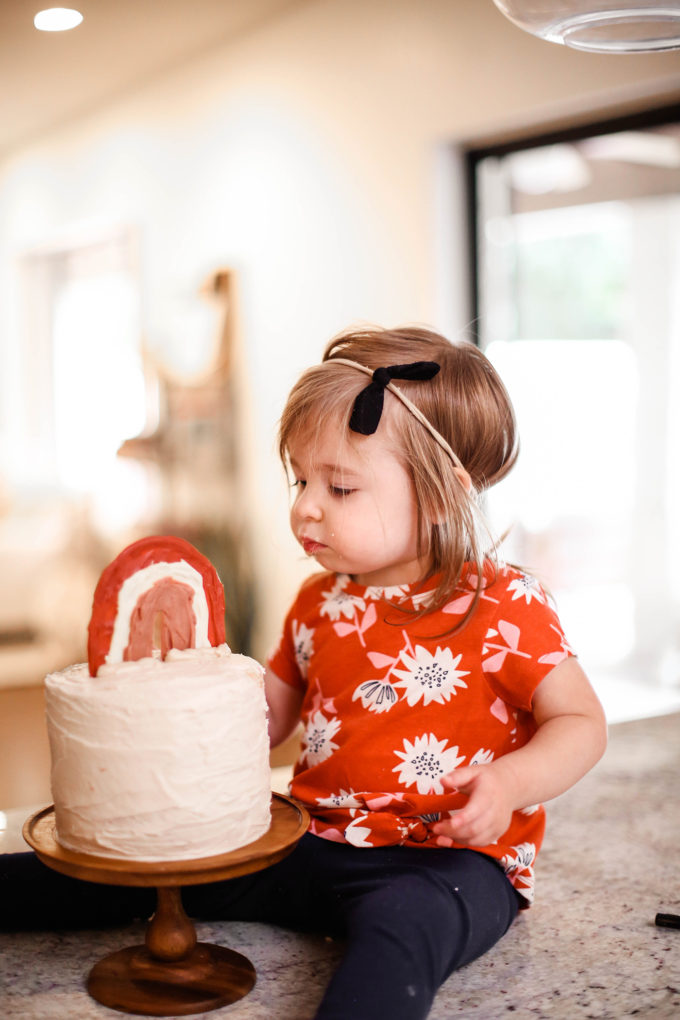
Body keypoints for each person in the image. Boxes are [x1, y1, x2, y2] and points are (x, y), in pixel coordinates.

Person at [1, 325, 607, 1020]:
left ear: (443, 497)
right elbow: (268, 717)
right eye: (300, 478)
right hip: (306, 843)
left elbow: (582, 724)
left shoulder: (506, 605)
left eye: (340, 487)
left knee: (399, 933)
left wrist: (508, 784)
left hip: (443, 863)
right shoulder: (319, 602)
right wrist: (171, 712)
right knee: (148, 872)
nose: (304, 507)